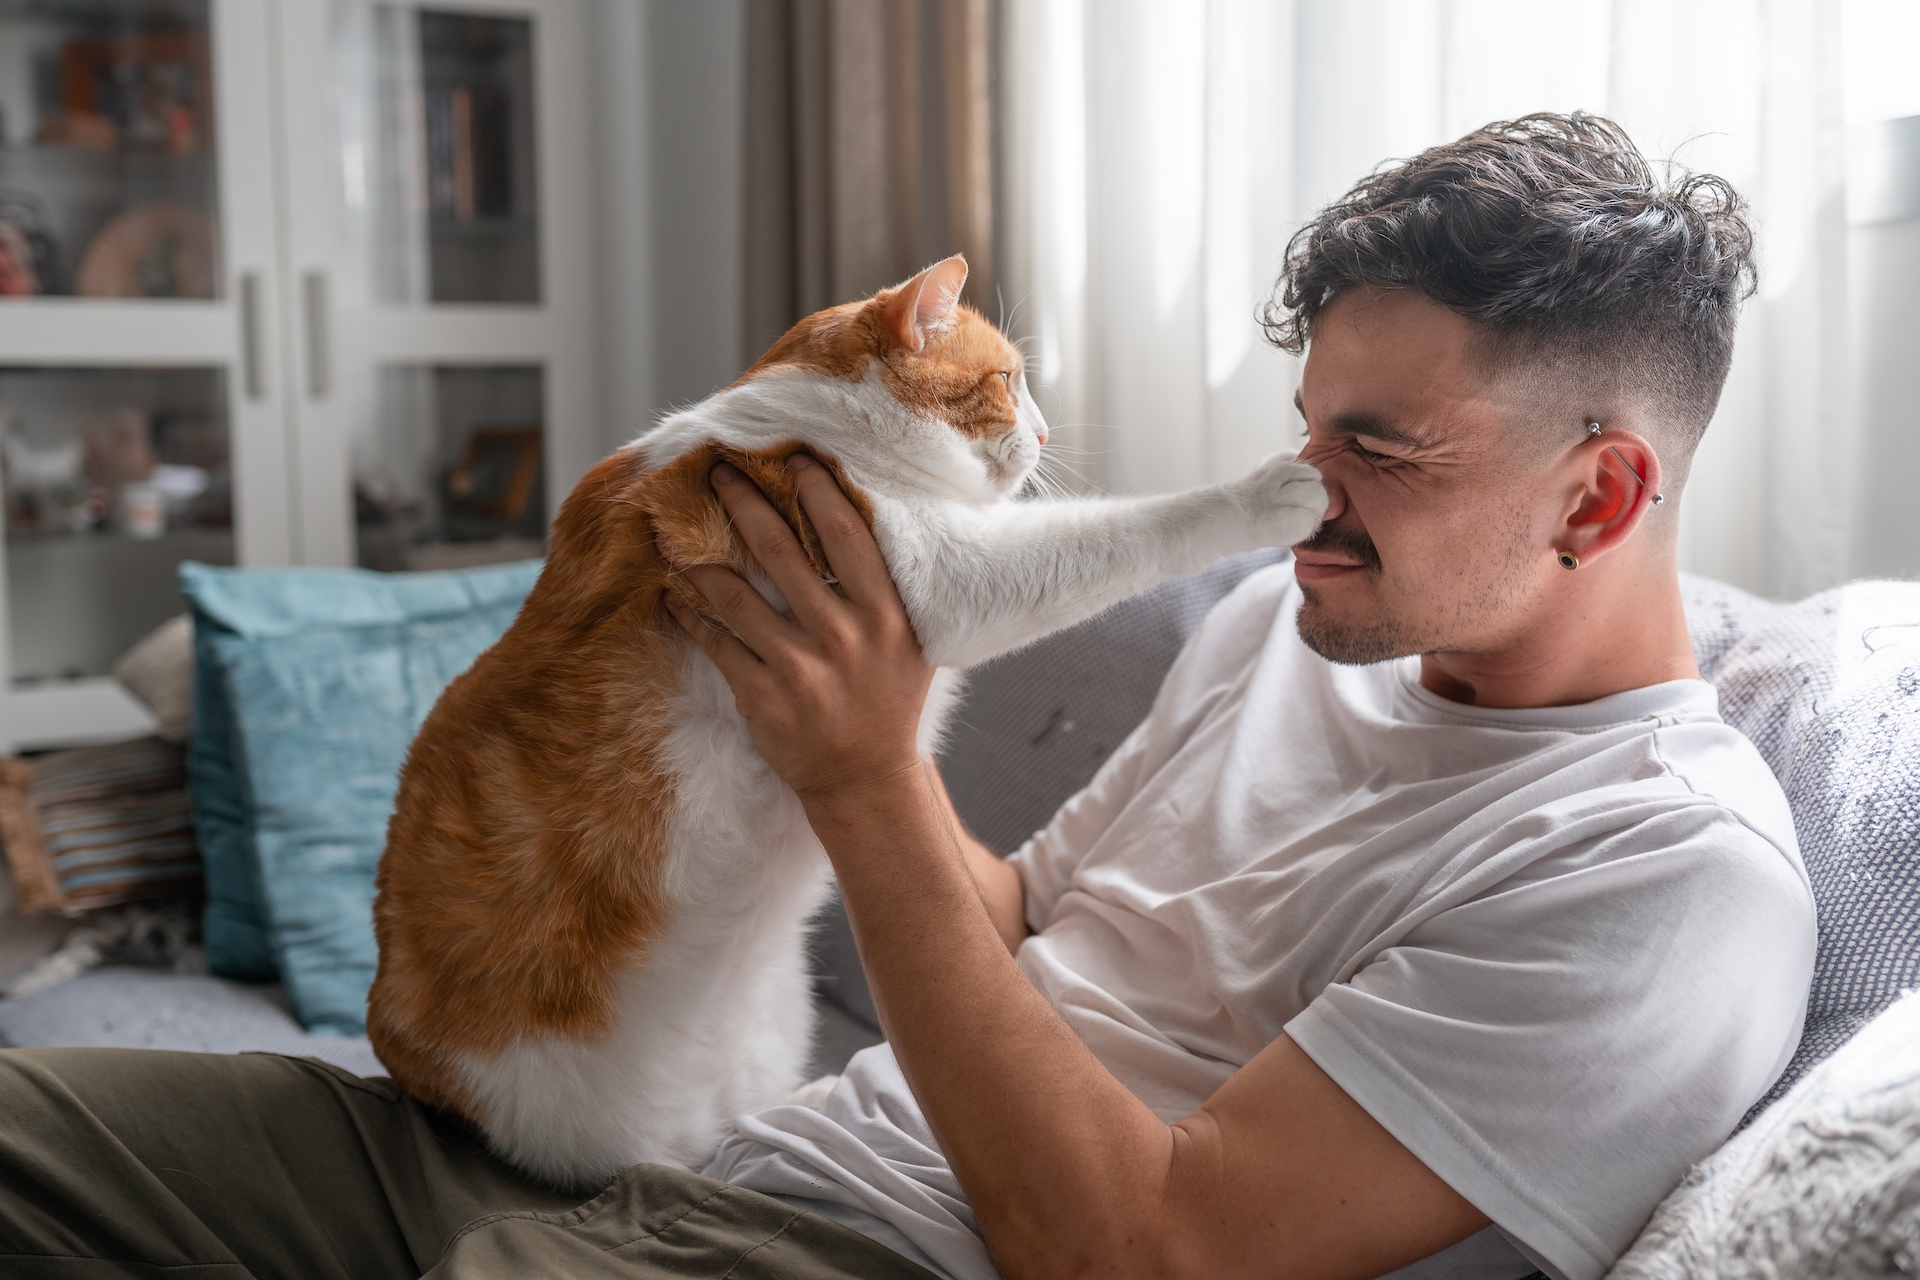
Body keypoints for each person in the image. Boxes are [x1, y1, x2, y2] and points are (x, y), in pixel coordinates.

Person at [0, 113, 1812, 1280]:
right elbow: (1024, 918)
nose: (1306, 495)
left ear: (1601, 495)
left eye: (1379, 449)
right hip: (684, 1152)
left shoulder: (1661, 877)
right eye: (1306, 427)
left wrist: (865, 773)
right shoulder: (1297, 626)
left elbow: (1133, 1252)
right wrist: (810, 681)